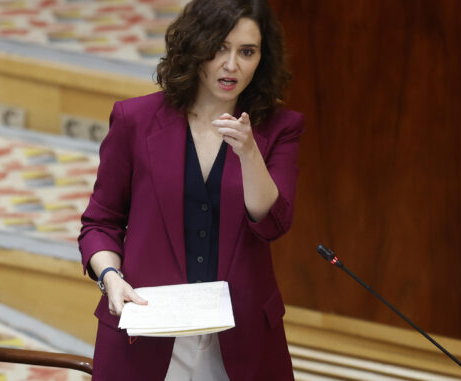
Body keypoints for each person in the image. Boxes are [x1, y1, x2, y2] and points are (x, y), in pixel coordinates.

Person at [78, 0, 304, 379]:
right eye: (218, 48)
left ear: (262, 59)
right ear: (195, 47)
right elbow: (100, 223)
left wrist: (249, 153)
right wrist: (110, 279)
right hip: (149, 327)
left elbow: (273, 222)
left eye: (246, 52)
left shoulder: (280, 128)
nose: (231, 64)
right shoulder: (135, 120)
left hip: (241, 334)